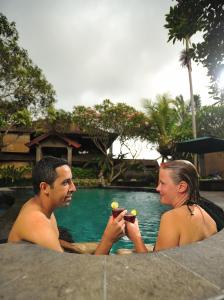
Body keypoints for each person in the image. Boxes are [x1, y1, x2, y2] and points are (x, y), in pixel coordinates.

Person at [8, 156, 126, 254]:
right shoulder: (36, 221)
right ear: (45, 188)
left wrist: (74, 248)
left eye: (71, 181)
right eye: (65, 182)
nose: (73, 188)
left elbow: (53, 238)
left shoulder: (39, 205)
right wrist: (108, 239)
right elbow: (75, 274)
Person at [126, 160, 224, 253]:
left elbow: (157, 266)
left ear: (181, 187)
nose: (157, 188)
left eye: (162, 183)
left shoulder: (171, 218)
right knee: (124, 251)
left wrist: (136, 237)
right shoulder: (205, 214)